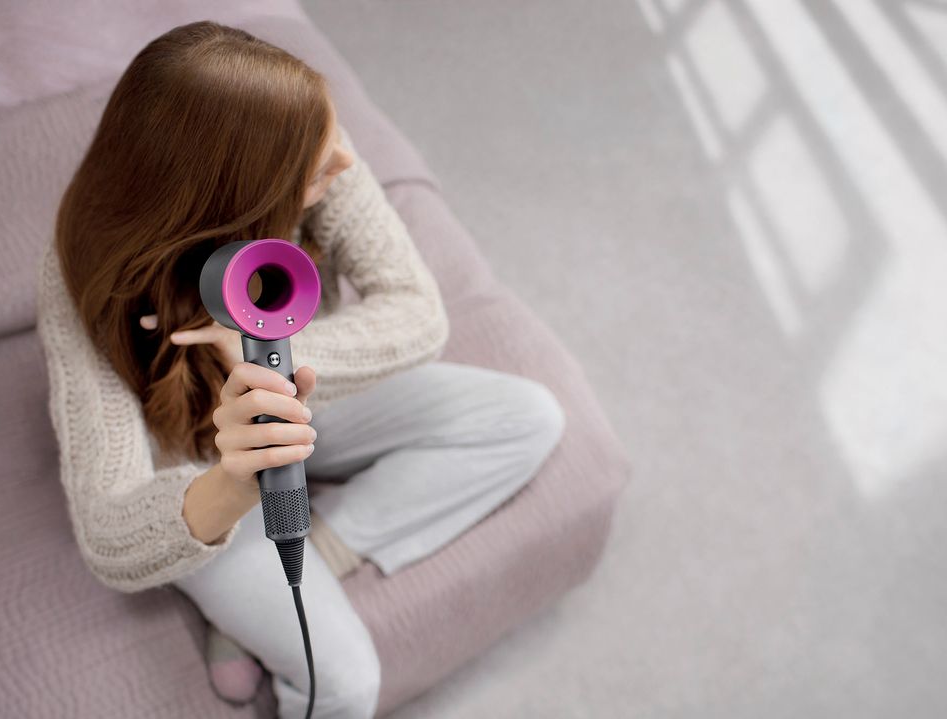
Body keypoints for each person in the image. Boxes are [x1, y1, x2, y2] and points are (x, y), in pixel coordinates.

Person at [36, 20, 566, 719]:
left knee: (528, 417)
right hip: (201, 464)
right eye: (316, 169)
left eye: (335, 140)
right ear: (238, 193)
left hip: (303, 391)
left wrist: (271, 355)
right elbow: (109, 532)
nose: (346, 163)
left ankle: (319, 550)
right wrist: (233, 480)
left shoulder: (318, 151)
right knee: (345, 684)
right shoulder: (81, 279)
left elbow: (418, 316)